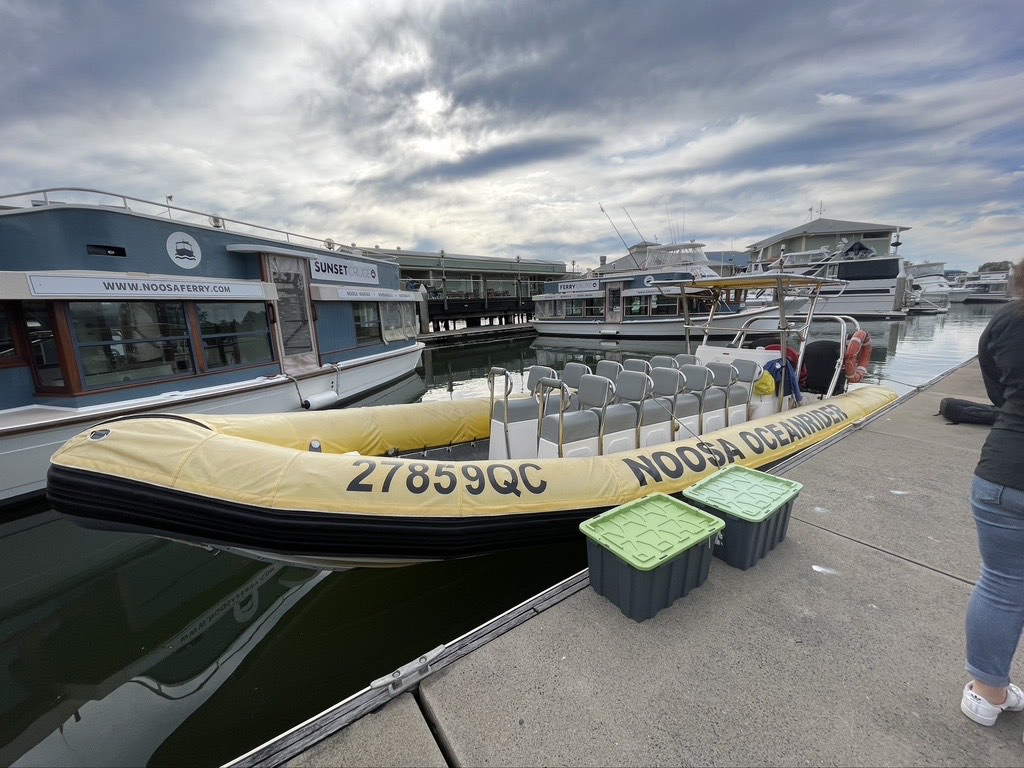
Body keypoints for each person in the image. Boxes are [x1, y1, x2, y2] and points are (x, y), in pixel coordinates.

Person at [962, 260, 1024, 729]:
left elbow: (1000, 394)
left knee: (1001, 585)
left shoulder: (1005, 322)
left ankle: (988, 692)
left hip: (1003, 470)